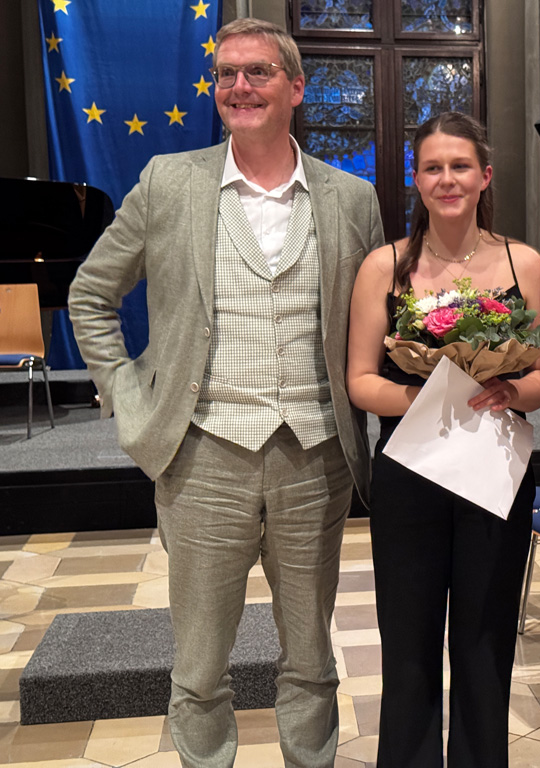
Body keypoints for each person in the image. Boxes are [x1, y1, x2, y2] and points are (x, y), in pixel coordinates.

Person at [68, 19, 383, 768]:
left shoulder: (351, 198)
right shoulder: (169, 182)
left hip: (315, 460)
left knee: (311, 657)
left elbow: (376, 316)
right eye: (226, 74)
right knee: (201, 666)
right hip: (202, 458)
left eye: (259, 72)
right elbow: (90, 295)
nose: (239, 87)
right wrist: (128, 396)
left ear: (296, 88)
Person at [346, 111, 540, 768]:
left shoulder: (524, 262)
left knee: (484, 644)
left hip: (495, 470)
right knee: (408, 647)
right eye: (432, 167)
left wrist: (511, 392)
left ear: (485, 175)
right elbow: (360, 380)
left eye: (460, 166)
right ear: (416, 179)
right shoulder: (384, 266)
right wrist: (426, 397)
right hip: (411, 470)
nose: (447, 179)